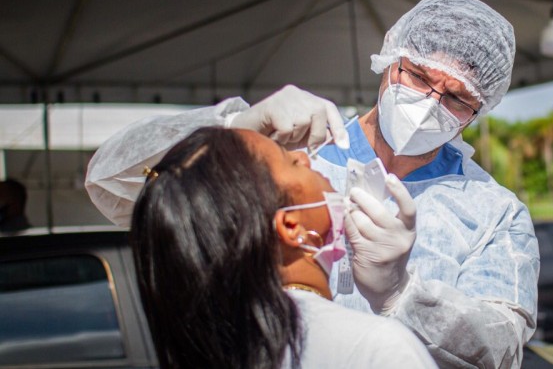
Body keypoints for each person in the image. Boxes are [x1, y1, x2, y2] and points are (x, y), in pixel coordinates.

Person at [87, 0, 540, 368]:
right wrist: (233, 128)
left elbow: (501, 350)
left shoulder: (492, 212)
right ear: (390, 59)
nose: (428, 103)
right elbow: (114, 185)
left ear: (479, 110)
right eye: (418, 76)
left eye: (456, 98)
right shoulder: (294, 152)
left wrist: (403, 293)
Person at [130, 126, 436, 368]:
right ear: (291, 226)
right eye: (291, 160)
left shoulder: (214, 349)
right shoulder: (377, 349)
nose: (305, 157)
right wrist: (397, 293)